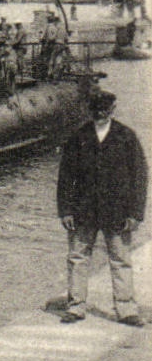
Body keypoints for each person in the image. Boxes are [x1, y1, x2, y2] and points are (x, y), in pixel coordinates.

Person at [57, 90, 146, 326]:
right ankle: (76, 307)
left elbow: (139, 177)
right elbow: (65, 176)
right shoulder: (79, 137)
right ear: (91, 110)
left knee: (120, 259)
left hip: (117, 212)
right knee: (78, 257)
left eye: (105, 110)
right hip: (83, 210)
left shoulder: (126, 137)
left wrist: (135, 213)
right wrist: (65, 210)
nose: (100, 113)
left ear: (112, 110)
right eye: (96, 110)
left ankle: (126, 309)